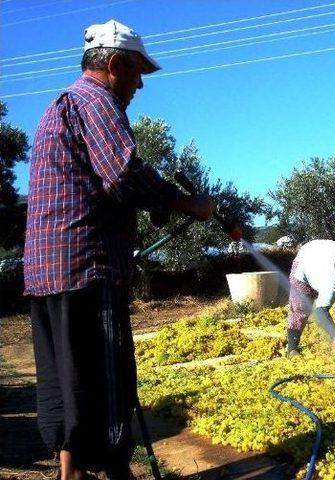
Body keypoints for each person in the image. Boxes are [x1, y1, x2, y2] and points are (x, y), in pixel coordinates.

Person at [23, 20, 215, 480]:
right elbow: (123, 173)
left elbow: (103, 183)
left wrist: (157, 204)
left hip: (46, 272)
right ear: (114, 64)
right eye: (137, 72)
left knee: (69, 377)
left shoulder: (59, 106)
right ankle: (116, 471)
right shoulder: (98, 100)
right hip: (89, 267)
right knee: (108, 381)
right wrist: (184, 200)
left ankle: (70, 472)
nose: (141, 83)